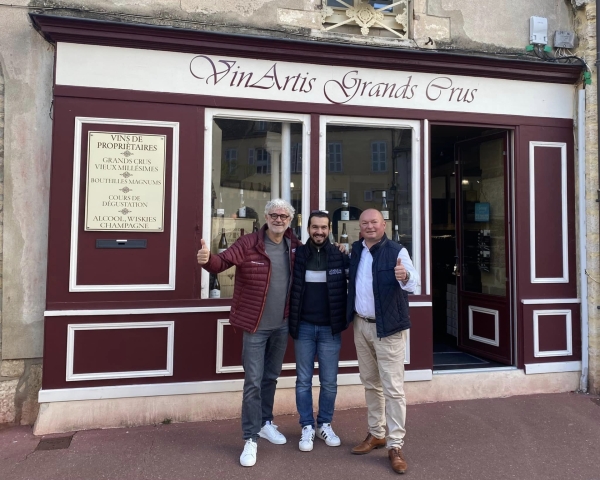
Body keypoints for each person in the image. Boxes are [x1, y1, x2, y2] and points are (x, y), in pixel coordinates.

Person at [197, 199, 300, 468]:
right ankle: (250, 438)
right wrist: (208, 260)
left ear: (290, 220)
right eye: (274, 215)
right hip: (255, 327)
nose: (279, 219)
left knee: (271, 378)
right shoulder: (249, 243)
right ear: (266, 217)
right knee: (253, 382)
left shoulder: (294, 246)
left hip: (282, 324)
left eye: (284, 216)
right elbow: (222, 263)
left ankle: (266, 423)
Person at [347, 208, 419, 475]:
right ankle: (376, 433)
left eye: (374, 222)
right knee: (371, 384)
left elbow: (415, 283)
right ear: (359, 226)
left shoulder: (397, 251)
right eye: (364, 223)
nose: (369, 226)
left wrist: (406, 277)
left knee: (393, 388)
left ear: (383, 224)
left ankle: (395, 445)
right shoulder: (356, 251)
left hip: (388, 329)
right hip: (361, 325)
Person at [289, 210, 349, 452]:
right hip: (303, 326)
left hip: (330, 329)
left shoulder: (339, 255)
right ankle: (306, 426)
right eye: (315, 227)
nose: (319, 231)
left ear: (330, 228)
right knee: (303, 381)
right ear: (308, 229)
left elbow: (358, 280)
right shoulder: (297, 255)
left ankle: (324, 423)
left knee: (329, 382)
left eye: (324, 227)